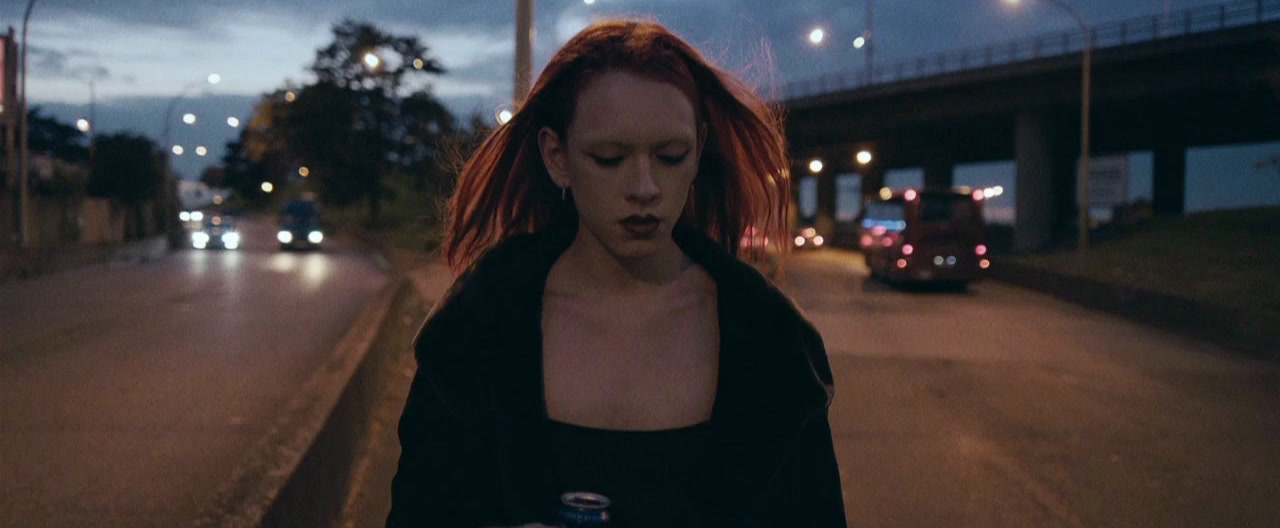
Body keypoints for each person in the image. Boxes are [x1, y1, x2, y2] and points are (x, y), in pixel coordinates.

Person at [388, 19, 846, 528]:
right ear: (556, 157)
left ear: (698, 151)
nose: (645, 187)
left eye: (671, 157)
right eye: (609, 158)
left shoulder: (770, 338)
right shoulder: (481, 323)